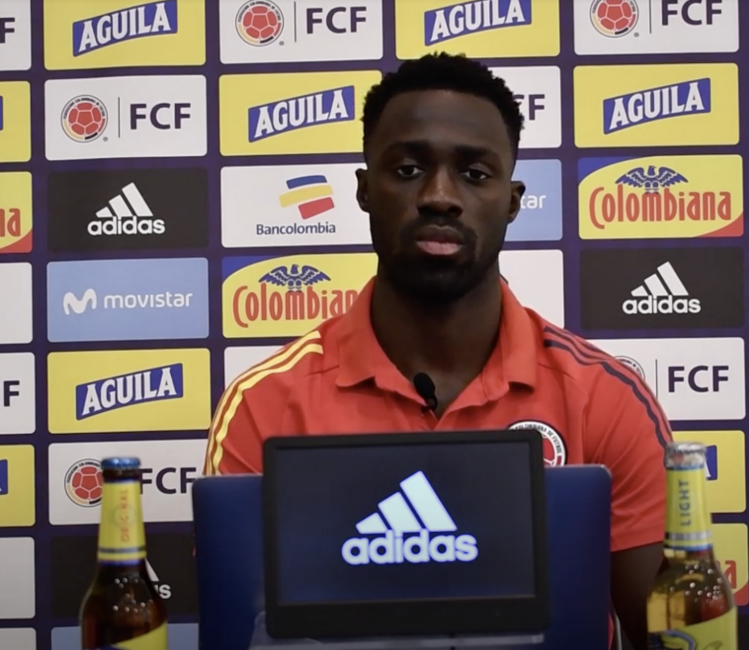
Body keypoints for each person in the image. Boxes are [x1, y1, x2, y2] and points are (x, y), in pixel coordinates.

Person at [202, 53, 671, 650]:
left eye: (474, 173)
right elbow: (240, 631)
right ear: (365, 190)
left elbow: (667, 635)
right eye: (407, 168)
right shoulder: (264, 403)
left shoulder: (604, 397)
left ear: (512, 199)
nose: (440, 197)